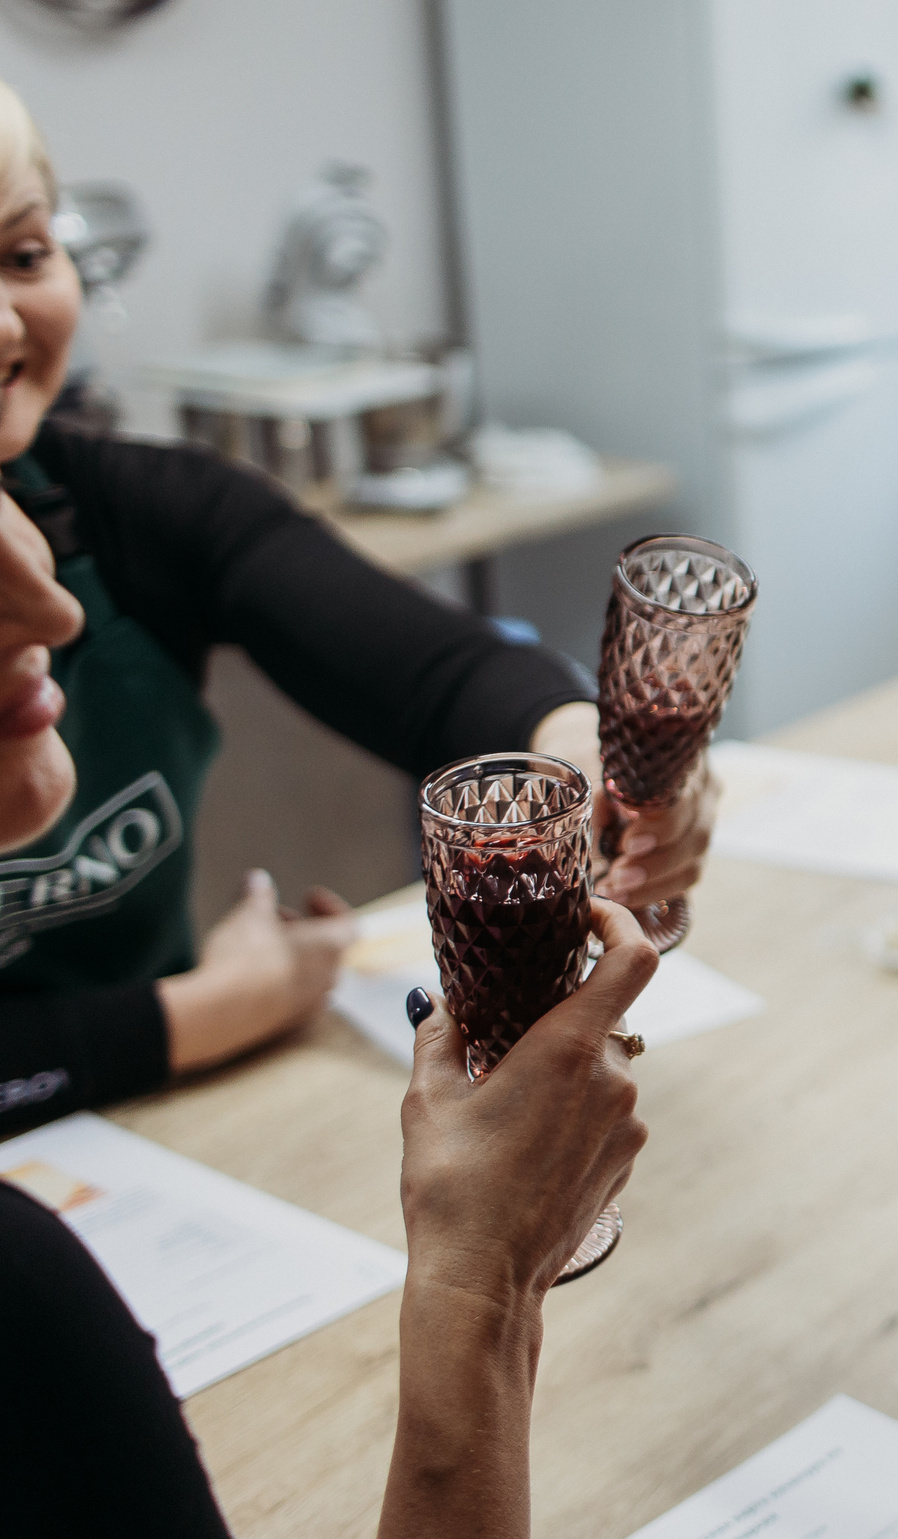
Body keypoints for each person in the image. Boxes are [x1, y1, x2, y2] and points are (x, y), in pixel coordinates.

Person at [0, 78, 712, 1137]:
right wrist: (207, 1011)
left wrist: (598, 767)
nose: (8, 316)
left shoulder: (142, 508)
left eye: (22, 254)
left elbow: (446, 676)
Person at [0, 471, 657, 1534]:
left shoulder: (108, 489)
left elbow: (438, 667)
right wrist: (478, 1288)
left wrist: (597, 771)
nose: (57, 613)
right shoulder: (26, 1300)